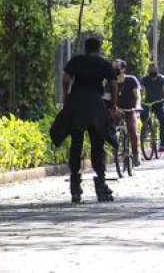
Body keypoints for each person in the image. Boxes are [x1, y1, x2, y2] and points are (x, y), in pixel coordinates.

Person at [61, 37, 117, 203]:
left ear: (85, 48)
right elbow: (113, 85)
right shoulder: (103, 63)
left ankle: (75, 186)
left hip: (77, 102)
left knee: (76, 142)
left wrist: (66, 99)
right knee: (97, 142)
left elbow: (65, 80)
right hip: (95, 103)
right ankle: (100, 184)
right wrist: (113, 106)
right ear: (98, 48)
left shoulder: (76, 61)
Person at [114, 59, 142, 166]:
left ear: (123, 69)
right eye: (114, 67)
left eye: (118, 67)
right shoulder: (111, 81)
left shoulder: (131, 80)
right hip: (117, 110)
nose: (115, 69)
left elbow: (137, 95)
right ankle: (114, 151)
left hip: (130, 109)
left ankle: (135, 154)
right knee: (110, 128)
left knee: (132, 129)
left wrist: (137, 106)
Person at [141, 63, 164, 152]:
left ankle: (162, 144)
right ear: (148, 71)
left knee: (163, 121)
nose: (152, 71)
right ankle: (147, 128)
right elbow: (141, 90)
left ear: (157, 70)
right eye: (150, 70)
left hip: (159, 103)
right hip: (148, 103)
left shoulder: (163, 79)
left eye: (154, 69)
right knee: (143, 115)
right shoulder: (144, 79)